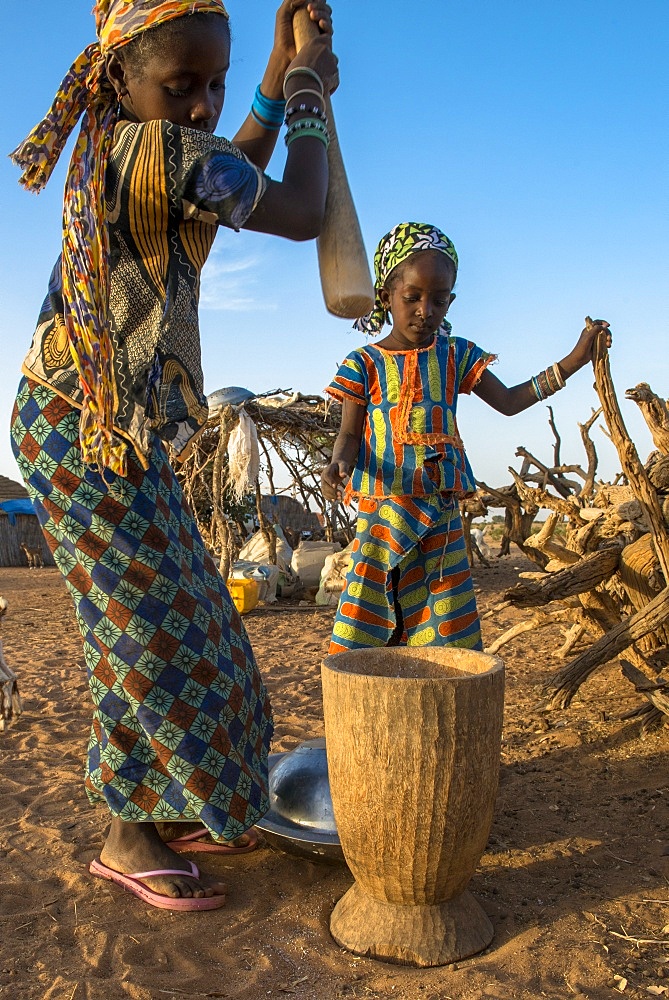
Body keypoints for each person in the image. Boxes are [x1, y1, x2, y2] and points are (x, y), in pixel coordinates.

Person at [10, 0, 338, 911]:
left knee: (184, 626)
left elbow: (234, 159)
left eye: (216, 82)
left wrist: (274, 74)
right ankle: (125, 833)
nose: (200, 105)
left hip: (102, 428)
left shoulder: (154, 153)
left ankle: (162, 803)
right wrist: (309, 86)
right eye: (180, 84)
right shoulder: (156, 155)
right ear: (119, 81)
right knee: (149, 639)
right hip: (85, 428)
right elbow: (303, 208)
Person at [322, 222, 611, 654]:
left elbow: (510, 401)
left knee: (444, 620)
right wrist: (338, 464)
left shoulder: (456, 354)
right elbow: (349, 434)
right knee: (369, 607)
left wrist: (573, 360)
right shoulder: (363, 363)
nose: (426, 310)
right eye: (413, 297)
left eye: (439, 300)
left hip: (439, 511)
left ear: (451, 300)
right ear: (386, 297)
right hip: (382, 510)